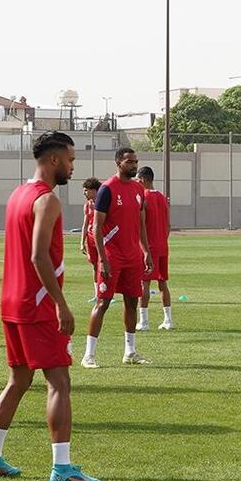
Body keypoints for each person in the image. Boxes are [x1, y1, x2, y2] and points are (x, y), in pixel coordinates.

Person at [0, 131, 101, 481]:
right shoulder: (47, 200)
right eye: (70, 160)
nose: (73, 167)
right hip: (37, 305)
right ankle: (62, 468)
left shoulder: (18, 194)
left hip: (11, 301)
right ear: (53, 159)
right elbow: (38, 255)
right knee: (59, 382)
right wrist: (61, 305)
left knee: (18, 380)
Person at [82, 147, 152, 368]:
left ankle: (130, 352)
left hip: (133, 256)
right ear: (118, 163)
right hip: (112, 256)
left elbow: (141, 224)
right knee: (103, 302)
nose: (134, 165)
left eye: (136, 161)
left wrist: (146, 251)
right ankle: (88, 355)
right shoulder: (107, 189)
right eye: (129, 161)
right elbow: (97, 227)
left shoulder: (138, 189)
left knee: (132, 302)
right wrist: (103, 259)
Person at [137, 167, 173, 331]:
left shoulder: (143, 198)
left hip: (148, 247)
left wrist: (144, 248)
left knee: (144, 283)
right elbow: (168, 225)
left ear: (143, 179)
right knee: (162, 282)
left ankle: (143, 321)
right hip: (162, 246)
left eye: (138, 180)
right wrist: (162, 240)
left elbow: (141, 226)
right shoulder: (163, 198)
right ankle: (168, 320)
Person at [79, 178, 101, 302]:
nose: (84, 193)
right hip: (91, 240)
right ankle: (97, 294)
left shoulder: (103, 202)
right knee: (95, 266)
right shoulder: (88, 205)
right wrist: (82, 242)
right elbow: (85, 223)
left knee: (104, 265)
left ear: (94, 190)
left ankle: (107, 292)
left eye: (86, 190)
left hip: (102, 239)